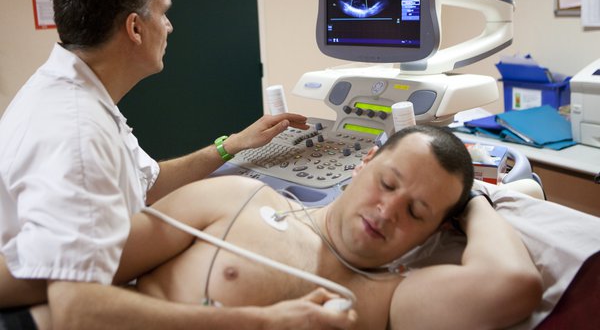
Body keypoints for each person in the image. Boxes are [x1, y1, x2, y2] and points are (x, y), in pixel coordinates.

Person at [0, 0, 355, 330]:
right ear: (135, 27)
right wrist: (266, 322)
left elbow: (145, 185)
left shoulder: (74, 91)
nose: (169, 25)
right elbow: (77, 311)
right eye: (163, 13)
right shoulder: (77, 132)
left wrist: (229, 147)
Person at [109, 125, 543, 330]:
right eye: (386, 183)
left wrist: (479, 201)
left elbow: (512, 283)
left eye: (416, 212)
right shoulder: (235, 199)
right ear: (363, 164)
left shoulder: (386, 296)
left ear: (435, 231)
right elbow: (77, 280)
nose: (388, 210)